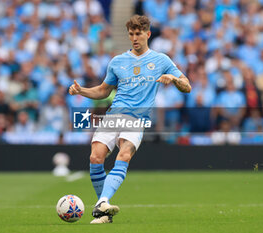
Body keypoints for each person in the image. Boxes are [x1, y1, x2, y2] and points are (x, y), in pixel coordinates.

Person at [68, 15, 191, 224]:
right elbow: (103, 91)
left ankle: (103, 201)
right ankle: (103, 210)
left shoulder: (161, 60)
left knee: (124, 154)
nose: (134, 38)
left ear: (148, 34)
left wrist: (175, 80)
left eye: (138, 34)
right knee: (95, 158)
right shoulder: (117, 61)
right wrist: (82, 91)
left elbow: (187, 86)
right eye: (131, 34)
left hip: (137, 119)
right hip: (114, 116)